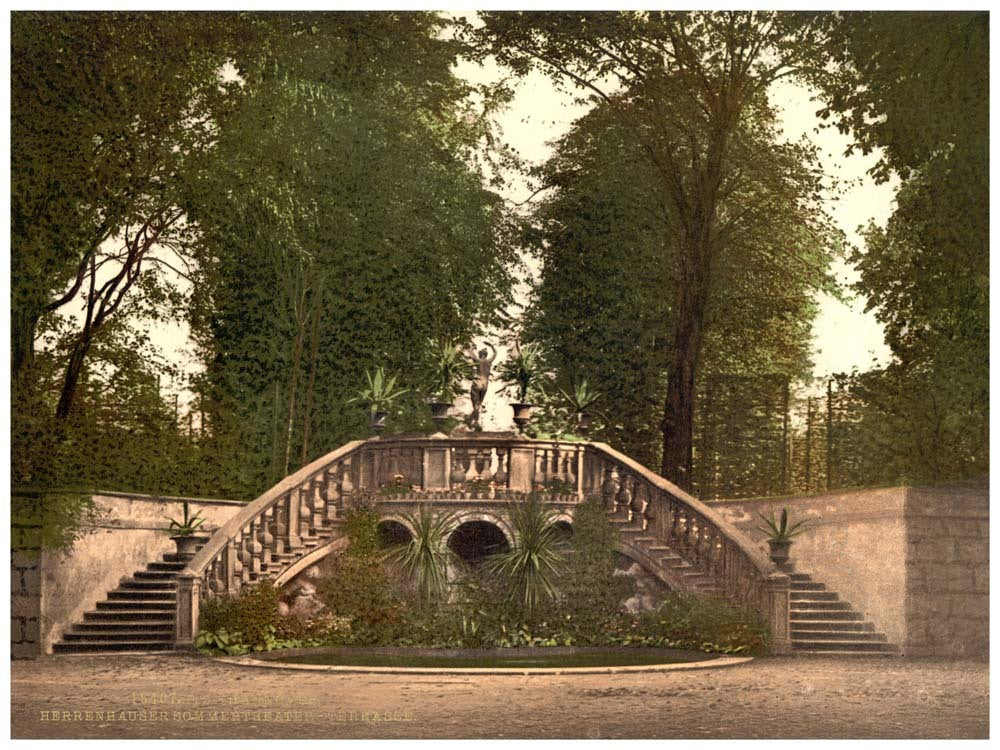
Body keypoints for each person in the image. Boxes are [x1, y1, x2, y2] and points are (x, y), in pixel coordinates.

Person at [468, 342, 497, 429]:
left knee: (475, 403)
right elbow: (495, 353)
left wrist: (472, 347)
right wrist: (491, 345)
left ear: (480, 355)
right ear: (486, 355)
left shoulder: (478, 361)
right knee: (479, 403)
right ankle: (474, 421)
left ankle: (475, 421)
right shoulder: (489, 361)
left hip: (477, 383)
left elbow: (470, 352)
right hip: (485, 385)